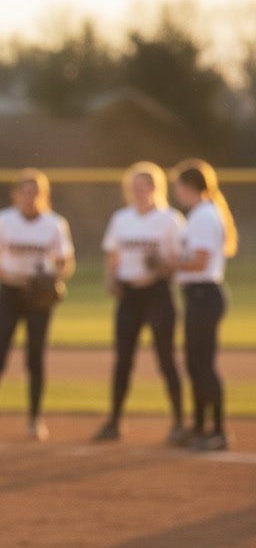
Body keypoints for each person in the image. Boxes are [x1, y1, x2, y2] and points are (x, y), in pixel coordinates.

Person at [0, 168, 75, 443]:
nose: (30, 197)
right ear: (16, 195)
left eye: (35, 192)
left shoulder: (54, 224)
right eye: (25, 191)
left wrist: (52, 279)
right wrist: (10, 275)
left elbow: (66, 263)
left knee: (35, 358)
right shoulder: (3, 220)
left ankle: (35, 420)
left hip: (38, 298)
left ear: (45, 196)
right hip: (9, 292)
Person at [93, 162, 186, 444]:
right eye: (134, 188)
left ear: (156, 189)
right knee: (123, 360)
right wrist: (111, 279)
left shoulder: (170, 219)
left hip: (158, 293)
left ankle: (180, 422)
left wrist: (160, 266)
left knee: (166, 359)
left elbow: (179, 261)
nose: (139, 192)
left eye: (144, 187)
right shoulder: (122, 218)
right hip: (129, 295)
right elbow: (113, 255)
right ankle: (114, 422)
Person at [168, 159, 238, 452]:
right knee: (195, 363)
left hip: (204, 294)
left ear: (188, 187)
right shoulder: (203, 212)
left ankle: (218, 431)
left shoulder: (203, 215)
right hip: (200, 296)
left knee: (203, 364)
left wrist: (169, 262)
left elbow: (200, 261)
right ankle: (199, 427)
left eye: (178, 187)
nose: (176, 193)